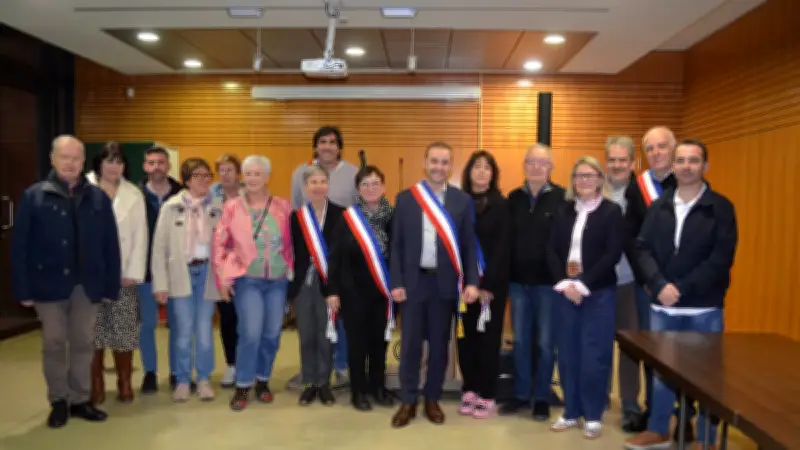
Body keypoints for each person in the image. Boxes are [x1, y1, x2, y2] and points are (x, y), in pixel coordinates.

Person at [625, 139, 737, 450]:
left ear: (705, 166)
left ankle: (705, 439)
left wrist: (681, 288)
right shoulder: (659, 206)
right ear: (673, 166)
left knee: (707, 379)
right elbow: (642, 247)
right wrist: (659, 285)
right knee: (662, 375)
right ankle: (659, 429)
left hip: (704, 310)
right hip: (664, 308)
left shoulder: (720, 207)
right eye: (681, 160)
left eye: (694, 160)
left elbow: (720, 259)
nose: (687, 166)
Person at [11, 135, 120, 428]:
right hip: (47, 284)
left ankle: (80, 399)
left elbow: (111, 244)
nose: (70, 163)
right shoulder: (34, 195)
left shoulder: (98, 197)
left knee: (84, 342)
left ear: (84, 162)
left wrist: (111, 285)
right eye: (64, 157)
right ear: (52, 159)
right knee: (55, 342)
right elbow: (19, 245)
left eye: (76, 158)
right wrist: (22, 288)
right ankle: (58, 400)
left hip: (87, 285)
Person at [389, 141, 479, 428]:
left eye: (444, 162)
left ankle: (432, 399)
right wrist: (397, 282)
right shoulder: (406, 199)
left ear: (450, 166)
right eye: (434, 161)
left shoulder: (461, 201)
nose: (439, 167)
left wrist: (472, 282)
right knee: (411, 344)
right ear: (425, 163)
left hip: (445, 284)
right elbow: (397, 246)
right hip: (414, 283)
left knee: (440, 345)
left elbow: (468, 246)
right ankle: (408, 400)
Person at [546, 156, 623, 439]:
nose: (584, 181)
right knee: (567, 353)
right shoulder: (563, 210)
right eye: (579, 176)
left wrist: (583, 286)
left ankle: (592, 414)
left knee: (594, 354)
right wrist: (565, 284)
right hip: (565, 290)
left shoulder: (611, 212)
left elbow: (612, 254)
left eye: (590, 176)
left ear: (601, 179)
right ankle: (570, 411)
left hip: (598, 292)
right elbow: (551, 251)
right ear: (573, 181)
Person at [212, 155, 294, 411]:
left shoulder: (284, 207)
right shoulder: (232, 207)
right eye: (248, 174)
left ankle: (263, 379)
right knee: (250, 333)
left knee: (271, 334)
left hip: (277, 281)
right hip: (248, 280)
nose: (253, 179)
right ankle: (243, 384)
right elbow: (219, 244)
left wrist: (291, 271)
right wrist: (222, 278)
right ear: (243, 177)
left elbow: (292, 243)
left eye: (258, 174)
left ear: (267, 176)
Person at [289, 126, 358, 390]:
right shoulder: (299, 172)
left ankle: (337, 369)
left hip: (337, 264)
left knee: (334, 325)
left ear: (339, 147)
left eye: (332, 142)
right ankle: (311, 374)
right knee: (308, 327)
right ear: (316, 146)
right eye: (322, 142)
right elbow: (297, 209)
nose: (327, 146)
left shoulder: (352, 173)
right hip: (306, 268)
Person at [622, 126, 680, 433]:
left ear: (674, 148)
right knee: (653, 350)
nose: (656, 153)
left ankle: (685, 415)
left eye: (662, 147)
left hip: (685, 285)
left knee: (688, 353)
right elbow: (630, 239)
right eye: (650, 149)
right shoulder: (638, 188)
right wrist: (648, 280)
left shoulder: (688, 182)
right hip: (649, 285)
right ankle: (654, 412)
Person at [502, 143, 566, 420]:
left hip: (548, 286)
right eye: (531, 162)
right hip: (517, 285)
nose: (536, 167)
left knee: (544, 343)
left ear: (551, 167)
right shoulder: (513, 198)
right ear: (524, 166)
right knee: (521, 341)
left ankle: (541, 397)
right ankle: (520, 394)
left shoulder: (564, 198)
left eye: (542, 163)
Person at [151, 158, 221, 402]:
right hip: (180, 275)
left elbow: (224, 246)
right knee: (182, 331)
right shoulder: (171, 207)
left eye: (207, 175)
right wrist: (160, 284)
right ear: (187, 180)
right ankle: (182, 379)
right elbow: (159, 248)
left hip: (207, 276)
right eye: (198, 176)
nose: (203, 181)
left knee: (204, 331)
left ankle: (203, 378)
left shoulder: (217, 207)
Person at [327, 165, 395, 411]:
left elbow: (399, 254)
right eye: (365, 184)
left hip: (384, 292)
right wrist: (332, 291)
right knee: (357, 345)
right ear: (358, 189)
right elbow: (333, 257)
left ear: (384, 187)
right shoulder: (347, 219)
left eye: (375, 183)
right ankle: (359, 391)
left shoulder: (393, 216)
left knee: (380, 343)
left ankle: (378, 387)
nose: (370, 188)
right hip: (353, 291)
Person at [86, 142, 148, 405]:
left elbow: (140, 236)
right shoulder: (81, 189)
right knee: (92, 331)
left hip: (123, 274)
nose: (114, 166)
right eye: (109, 160)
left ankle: (124, 382)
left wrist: (133, 271)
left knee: (123, 329)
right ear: (99, 163)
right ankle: (95, 384)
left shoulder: (134, 193)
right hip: (88, 275)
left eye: (119, 161)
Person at [456, 150, 510, 419]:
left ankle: (487, 392)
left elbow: (503, 249)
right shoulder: (458, 203)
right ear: (468, 172)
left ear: (493, 173)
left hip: (491, 286)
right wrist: (467, 282)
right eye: (476, 166)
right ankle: (470, 388)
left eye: (486, 167)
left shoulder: (502, 204)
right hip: (464, 286)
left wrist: (486, 284)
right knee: (466, 340)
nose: (481, 171)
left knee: (488, 339)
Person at [289, 164, 345, 406]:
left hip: (328, 286)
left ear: (328, 184)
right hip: (303, 284)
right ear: (305, 187)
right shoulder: (297, 216)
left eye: (323, 181)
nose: (318, 186)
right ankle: (310, 382)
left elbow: (341, 256)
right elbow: (294, 253)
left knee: (326, 335)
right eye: (313, 182)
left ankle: (324, 382)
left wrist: (335, 290)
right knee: (307, 335)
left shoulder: (341, 214)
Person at [605, 135, 651, 430]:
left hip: (629, 281)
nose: (617, 165)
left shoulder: (644, 193)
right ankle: (598, 397)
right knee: (597, 344)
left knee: (631, 346)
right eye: (612, 160)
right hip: (597, 284)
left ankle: (631, 404)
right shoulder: (595, 189)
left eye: (623, 159)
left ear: (632, 162)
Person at [137, 146, 182, 394]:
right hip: (145, 271)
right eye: (151, 163)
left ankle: (177, 372)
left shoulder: (182, 195)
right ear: (145, 167)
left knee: (176, 325)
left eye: (161, 163)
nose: (156, 167)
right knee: (147, 324)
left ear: (168, 166)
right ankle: (150, 373)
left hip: (176, 271)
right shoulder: (135, 195)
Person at [210, 153, 244, 388]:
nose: (225, 174)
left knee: (248, 319)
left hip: (247, 267)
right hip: (222, 267)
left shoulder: (250, 194)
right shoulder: (210, 196)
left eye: (230, 169)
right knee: (228, 317)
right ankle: (231, 365)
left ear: (238, 172)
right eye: (221, 170)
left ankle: (247, 365)